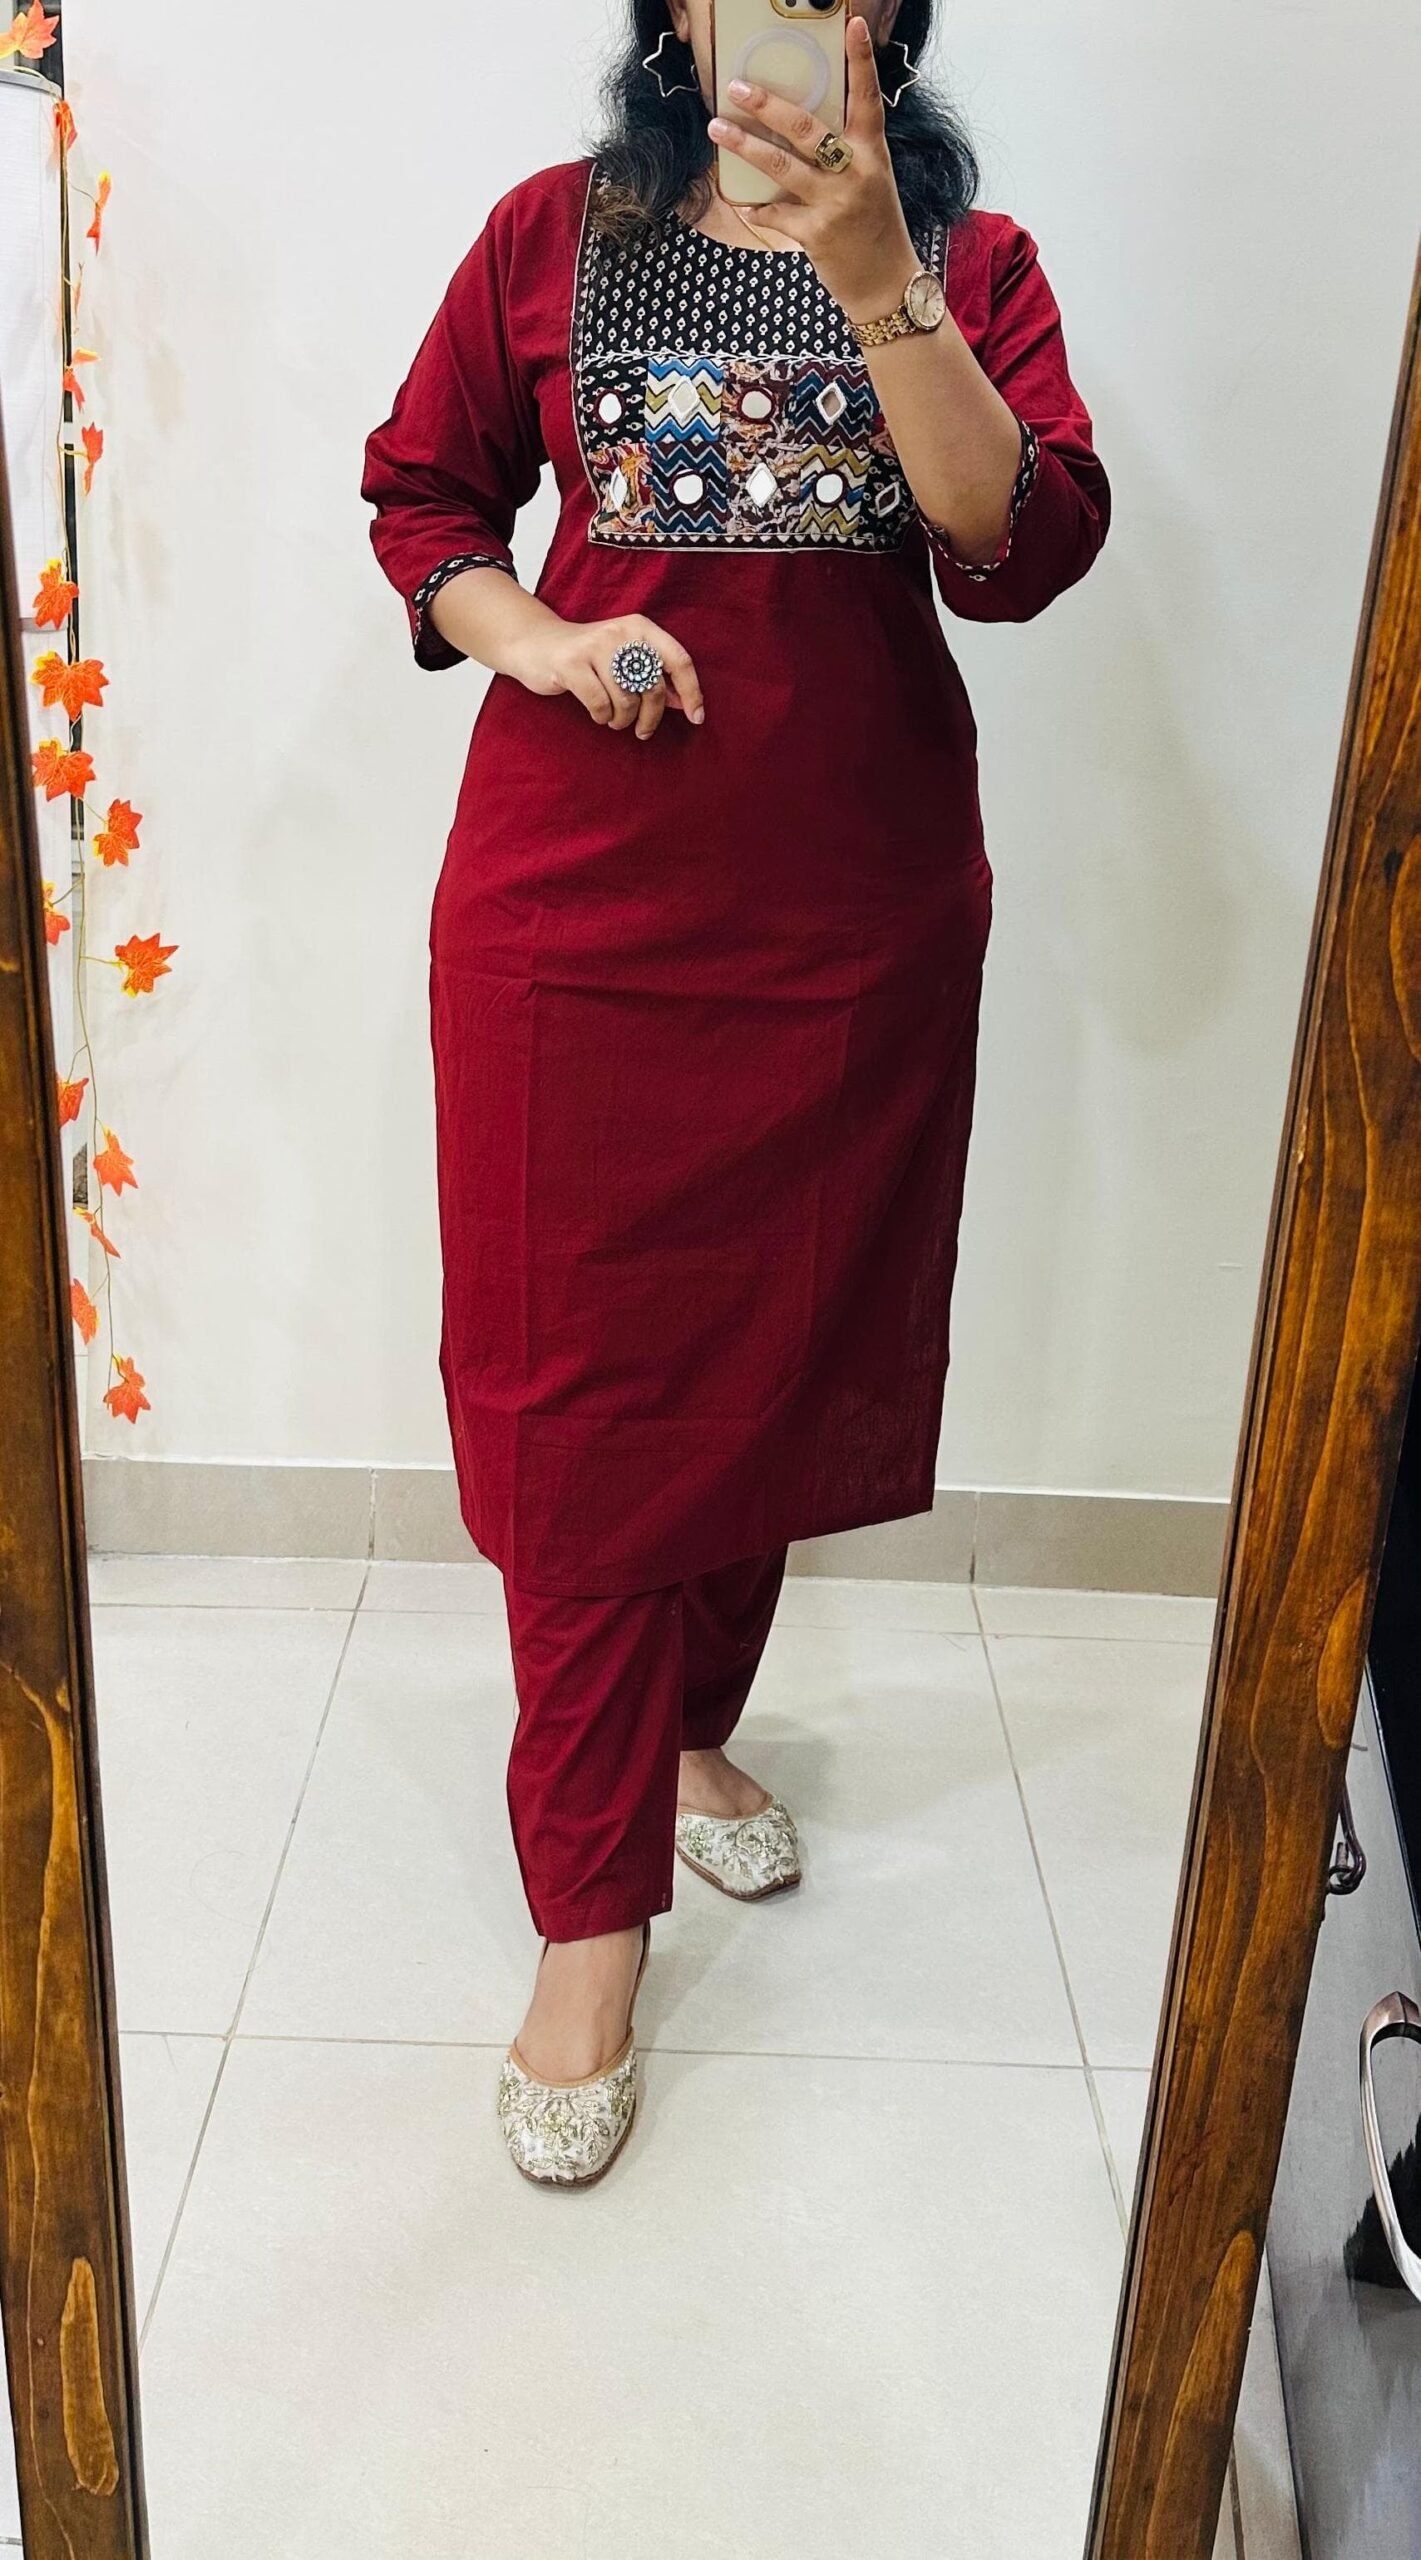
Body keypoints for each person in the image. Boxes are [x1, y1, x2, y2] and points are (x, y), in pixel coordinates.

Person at [362, 0, 1110, 2188]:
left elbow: (1023, 551)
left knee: (768, 1361)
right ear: (673, 11)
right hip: (575, 925)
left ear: (885, 17)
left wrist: (880, 281)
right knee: (582, 1401)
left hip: (847, 932)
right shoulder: (553, 237)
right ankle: (588, 1916)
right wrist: (539, 640)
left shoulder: (972, 268)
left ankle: (682, 1736)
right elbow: (425, 493)